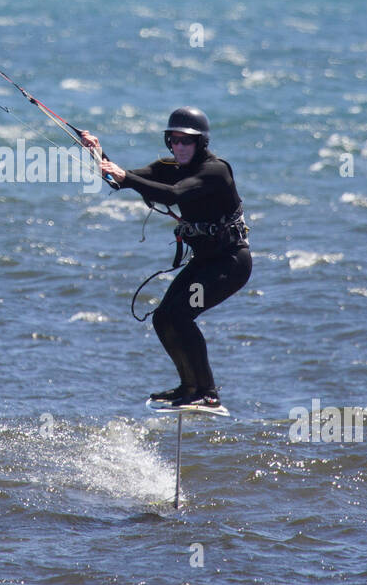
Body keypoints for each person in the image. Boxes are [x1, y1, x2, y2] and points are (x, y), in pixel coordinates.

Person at [83, 107, 251, 410]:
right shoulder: (168, 165)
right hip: (204, 262)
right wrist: (97, 152)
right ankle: (189, 387)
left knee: (182, 315)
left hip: (230, 264)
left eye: (186, 141)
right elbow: (122, 180)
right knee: (162, 318)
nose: (179, 147)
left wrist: (127, 178)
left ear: (200, 142)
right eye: (173, 141)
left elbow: (174, 195)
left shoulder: (215, 170)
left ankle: (208, 393)